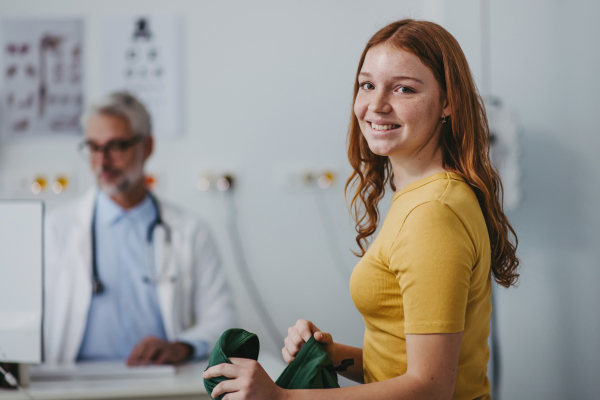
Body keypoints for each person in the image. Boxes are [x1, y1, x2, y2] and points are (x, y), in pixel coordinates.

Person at [203, 19, 519, 400]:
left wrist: (283, 398)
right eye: (367, 85)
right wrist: (332, 356)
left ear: (447, 102)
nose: (377, 105)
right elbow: (400, 365)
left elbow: (431, 388)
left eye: (404, 88)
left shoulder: (433, 213)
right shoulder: (424, 196)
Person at [44, 92, 237, 365]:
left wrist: (181, 346)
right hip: (74, 382)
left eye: (116, 146)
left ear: (147, 146)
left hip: (160, 381)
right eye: (93, 147)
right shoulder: (53, 230)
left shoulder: (191, 231)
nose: (102, 161)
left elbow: (222, 320)